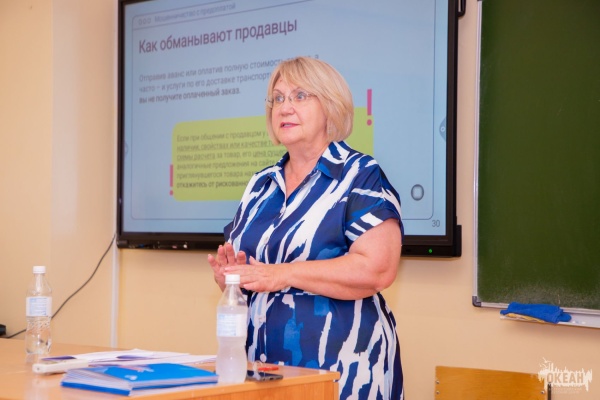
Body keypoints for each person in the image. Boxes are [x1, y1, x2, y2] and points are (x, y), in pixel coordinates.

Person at [208, 56, 404, 400]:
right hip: (263, 371)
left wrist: (282, 274)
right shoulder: (260, 184)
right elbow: (256, 276)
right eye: (278, 98)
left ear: (330, 106)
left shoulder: (360, 175)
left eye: (300, 96)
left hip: (343, 370)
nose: (285, 107)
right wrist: (233, 278)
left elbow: (377, 269)